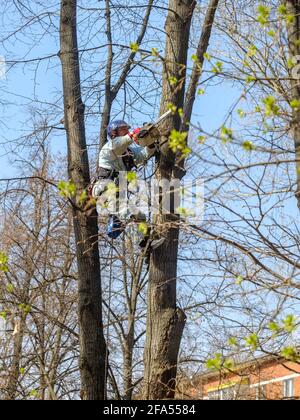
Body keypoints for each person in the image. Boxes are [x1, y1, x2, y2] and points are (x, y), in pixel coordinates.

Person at [92, 119, 164, 250]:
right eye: (123, 129)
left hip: (118, 192)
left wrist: (150, 143)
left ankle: (146, 243)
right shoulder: (109, 148)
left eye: (127, 128)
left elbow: (143, 155)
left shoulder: (128, 153)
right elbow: (120, 144)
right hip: (105, 189)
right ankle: (143, 241)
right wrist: (133, 134)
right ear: (114, 133)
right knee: (128, 212)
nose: (126, 131)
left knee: (139, 215)